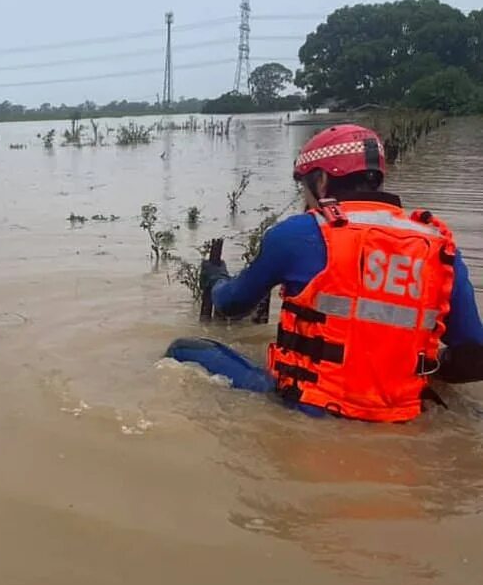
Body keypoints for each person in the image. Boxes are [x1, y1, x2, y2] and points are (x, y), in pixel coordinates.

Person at [166, 124, 483, 422]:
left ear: (321, 182)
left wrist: (216, 279)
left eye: (304, 187)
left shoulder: (298, 233)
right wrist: (411, 368)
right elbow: (473, 357)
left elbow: (232, 305)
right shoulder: (438, 246)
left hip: (310, 406)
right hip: (402, 413)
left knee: (184, 348)